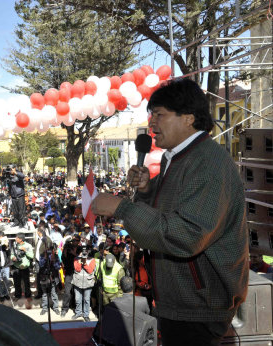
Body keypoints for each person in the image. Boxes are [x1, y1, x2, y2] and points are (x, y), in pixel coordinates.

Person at [91, 78, 248, 346]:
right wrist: (147, 191)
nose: (151, 124)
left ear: (188, 118)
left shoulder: (208, 162)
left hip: (199, 308)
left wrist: (122, 207)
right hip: (181, 302)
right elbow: (172, 210)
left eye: (159, 115)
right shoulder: (176, 157)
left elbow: (187, 234)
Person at [60, 234, 81, 317]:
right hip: (69, 272)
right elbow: (63, 258)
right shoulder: (68, 247)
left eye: (76, 240)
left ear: (78, 241)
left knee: (76, 291)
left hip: (78, 272)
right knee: (67, 291)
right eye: (73, 240)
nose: (74, 242)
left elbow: (81, 259)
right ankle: (65, 308)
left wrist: (74, 254)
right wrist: (65, 252)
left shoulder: (80, 249)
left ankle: (75, 307)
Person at [72, 250, 96, 322]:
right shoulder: (76, 259)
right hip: (77, 282)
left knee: (87, 300)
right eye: (82, 252)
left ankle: (86, 315)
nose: (84, 254)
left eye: (86, 252)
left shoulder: (92, 260)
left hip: (88, 283)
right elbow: (77, 269)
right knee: (78, 299)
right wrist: (80, 261)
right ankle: (78, 313)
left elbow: (90, 270)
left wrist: (84, 263)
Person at [11, 233, 34, 300]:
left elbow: (32, 256)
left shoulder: (28, 245)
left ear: (20, 239)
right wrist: (13, 258)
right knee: (16, 282)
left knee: (26, 282)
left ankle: (28, 295)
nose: (15, 239)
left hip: (25, 267)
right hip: (16, 266)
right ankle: (18, 295)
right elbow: (12, 254)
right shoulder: (14, 245)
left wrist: (25, 251)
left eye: (16, 238)